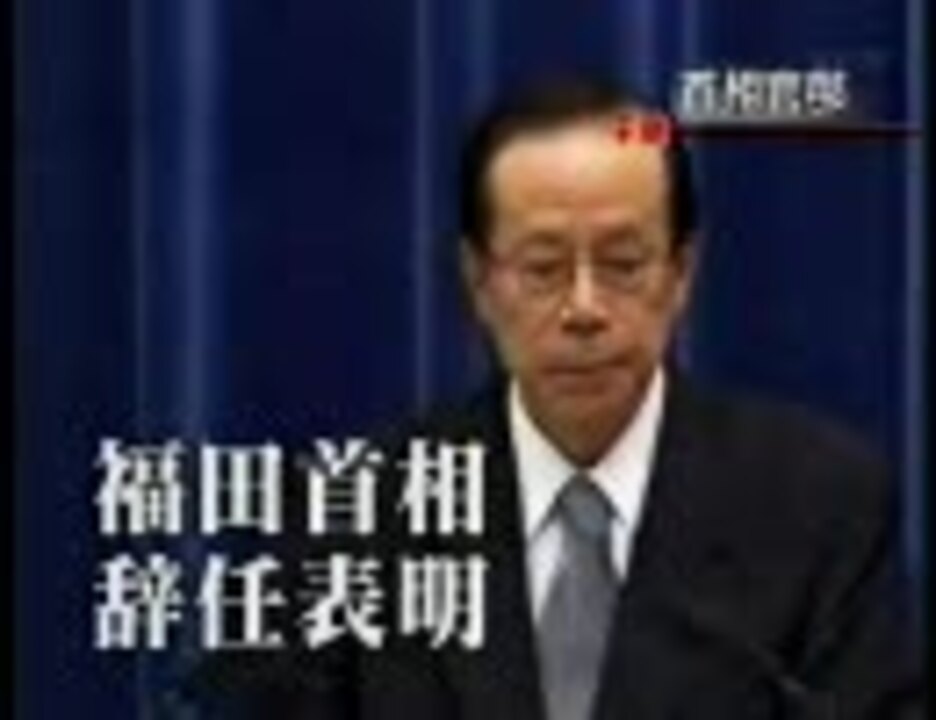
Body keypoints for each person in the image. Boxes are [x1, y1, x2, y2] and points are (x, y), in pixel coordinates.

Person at [191, 77, 922, 720]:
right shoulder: (355, 518)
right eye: (542, 268)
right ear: (479, 281)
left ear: (681, 274)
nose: (584, 309)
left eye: (623, 263)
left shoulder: (818, 508)